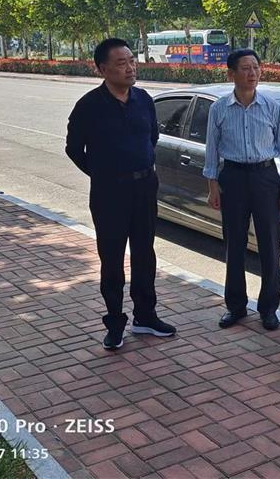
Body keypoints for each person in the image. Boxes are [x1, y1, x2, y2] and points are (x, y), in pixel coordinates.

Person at [65, 38, 176, 350]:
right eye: (121, 63)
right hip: (109, 192)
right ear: (103, 69)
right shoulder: (89, 106)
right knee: (112, 259)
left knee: (145, 254)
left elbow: (152, 138)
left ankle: (146, 316)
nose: (130, 68)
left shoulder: (143, 99)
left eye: (132, 61)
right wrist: (103, 174)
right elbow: (74, 149)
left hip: (144, 187)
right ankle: (115, 323)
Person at [204, 49, 280, 331]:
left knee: (269, 243)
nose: (252, 73)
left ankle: (269, 308)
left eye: (255, 67)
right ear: (231, 74)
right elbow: (212, 149)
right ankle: (235, 306)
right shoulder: (219, 108)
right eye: (245, 68)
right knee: (234, 243)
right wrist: (213, 186)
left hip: (265, 177)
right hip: (232, 178)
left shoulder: (271, 106)